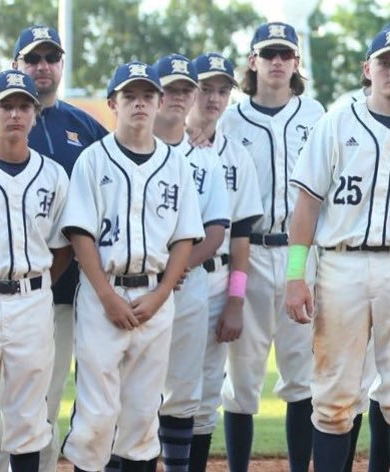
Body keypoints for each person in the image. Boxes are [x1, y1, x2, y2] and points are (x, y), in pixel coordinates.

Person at [283, 26, 390, 472]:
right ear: (368, 69)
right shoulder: (336, 123)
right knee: (333, 398)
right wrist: (294, 274)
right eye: (385, 62)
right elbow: (306, 202)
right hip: (340, 266)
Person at [0, 26, 107, 472]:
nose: (42, 66)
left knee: (35, 411)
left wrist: (41, 281)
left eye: (50, 57)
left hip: (46, 297)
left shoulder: (82, 127)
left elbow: (126, 159)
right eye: (32, 59)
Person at [59, 61, 203, 472]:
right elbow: (80, 234)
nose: (139, 103)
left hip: (155, 298)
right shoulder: (92, 159)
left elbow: (184, 239)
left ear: (159, 103)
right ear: (112, 104)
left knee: (142, 415)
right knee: (98, 415)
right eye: (130, 96)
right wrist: (107, 296)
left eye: (147, 96)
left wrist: (160, 295)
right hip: (104, 295)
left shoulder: (176, 163)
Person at [216, 22, 324, 472]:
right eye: (269, 54)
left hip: (302, 255)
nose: (277, 62)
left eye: (285, 54)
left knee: (302, 377)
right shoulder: (229, 118)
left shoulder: (316, 115)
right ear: (253, 61)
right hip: (250, 252)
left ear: (296, 63)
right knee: (242, 379)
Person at [0, 70, 71, 472]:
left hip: (32, 302)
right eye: (6, 105)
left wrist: (36, 287)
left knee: (27, 418)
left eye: (24, 106)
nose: (15, 114)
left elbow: (63, 247)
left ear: (35, 115)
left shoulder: (54, 176)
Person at [184, 51, 265, 472]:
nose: (213, 98)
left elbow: (242, 235)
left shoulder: (236, 156)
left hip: (216, 281)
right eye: (205, 88)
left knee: (206, 394)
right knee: (153, 390)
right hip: (167, 282)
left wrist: (236, 299)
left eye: (221, 90)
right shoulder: (165, 145)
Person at [151, 53, 231, 472]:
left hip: (191, 283)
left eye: (185, 89)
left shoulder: (205, 158)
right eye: (170, 89)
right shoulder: (121, 151)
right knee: (133, 391)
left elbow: (217, 231)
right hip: (135, 285)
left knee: (183, 390)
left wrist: (176, 269)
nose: (178, 97)